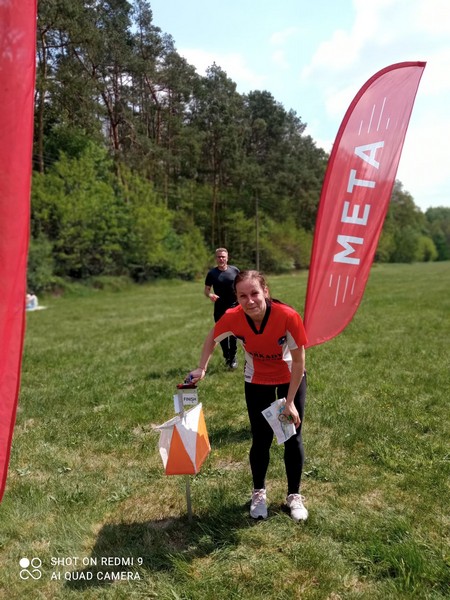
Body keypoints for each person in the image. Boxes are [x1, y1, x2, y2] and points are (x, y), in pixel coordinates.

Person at [188, 270, 308, 522]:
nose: (250, 300)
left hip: (290, 378)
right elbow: (212, 337)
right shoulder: (233, 317)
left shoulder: (288, 316)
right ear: (236, 298)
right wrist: (202, 367)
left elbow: (298, 361)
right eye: (242, 295)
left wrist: (289, 402)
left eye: (254, 293)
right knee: (261, 438)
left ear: (265, 291)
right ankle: (259, 493)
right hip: (257, 380)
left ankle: (294, 496)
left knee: (292, 437)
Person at [204, 248, 240, 369]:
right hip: (219, 307)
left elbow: (240, 285)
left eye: (223, 256)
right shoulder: (212, 273)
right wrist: (210, 295)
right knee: (222, 334)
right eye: (219, 257)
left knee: (234, 333)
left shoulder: (235, 270)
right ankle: (227, 356)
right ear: (216, 258)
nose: (221, 259)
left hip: (234, 306)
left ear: (227, 258)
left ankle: (233, 357)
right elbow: (206, 290)